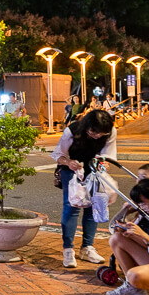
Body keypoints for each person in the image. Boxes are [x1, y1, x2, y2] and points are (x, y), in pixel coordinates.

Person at [52, 109, 117, 268]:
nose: (97, 136)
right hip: (71, 170)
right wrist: (68, 163)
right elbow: (59, 154)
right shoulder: (72, 131)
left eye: (101, 134)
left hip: (94, 171)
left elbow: (107, 155)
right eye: (94, 132)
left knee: (93, 207)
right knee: (71, 207)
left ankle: (87, 248)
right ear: (87, 126)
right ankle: (68, 249)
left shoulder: (110, 132)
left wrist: (104, 163)